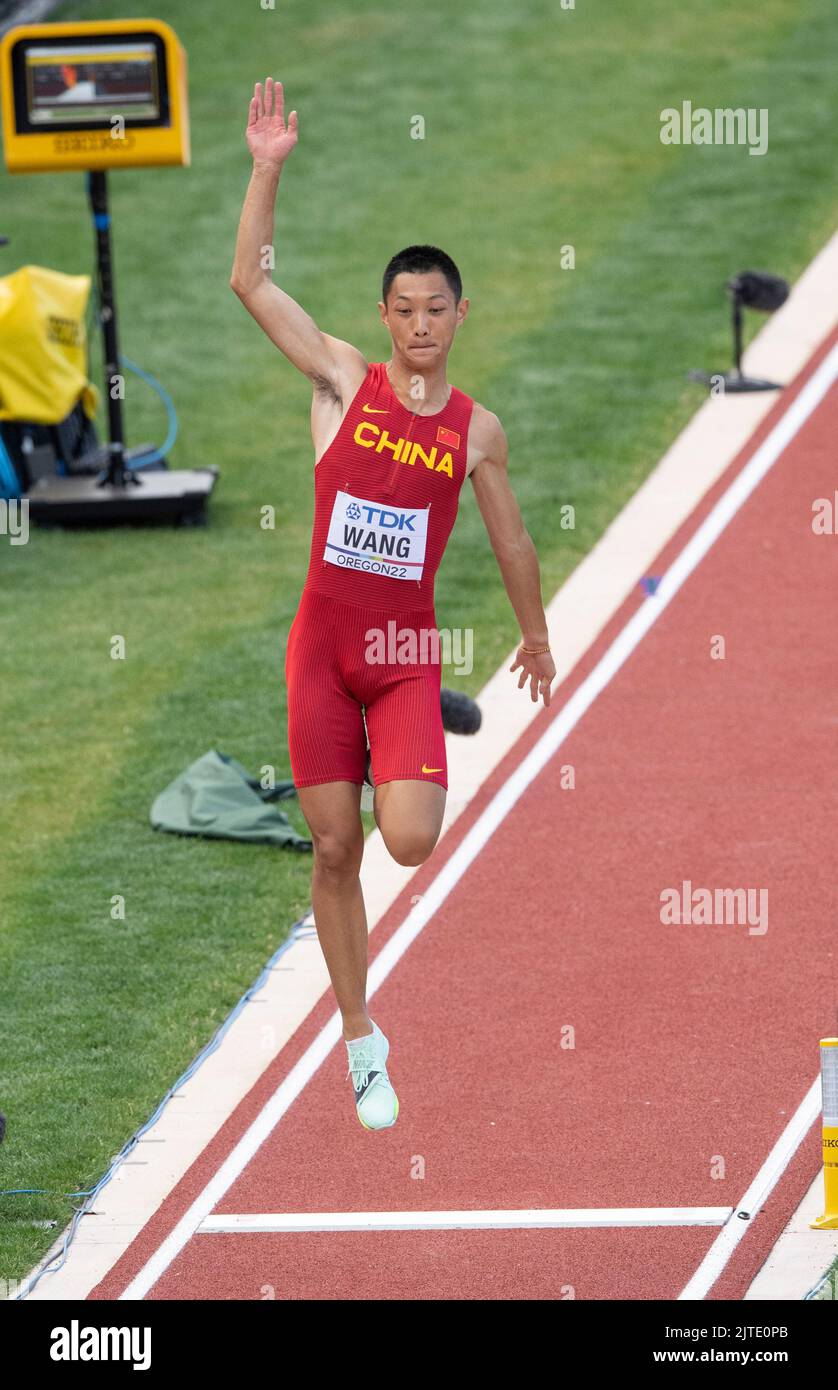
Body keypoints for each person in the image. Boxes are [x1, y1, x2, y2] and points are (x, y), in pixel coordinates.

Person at [231, 78, 556, 1130]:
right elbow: (248, 283)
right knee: (333, 850)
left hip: (404, 656)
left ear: (462, 316)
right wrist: (266, 168)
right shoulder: (337, 380)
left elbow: (509, 537)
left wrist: (536, 633)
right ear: (383, 318)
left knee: (406, 839)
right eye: (403, 310)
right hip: (322, 657)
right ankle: (360, 1036)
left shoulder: (478, 431)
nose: (419, 324)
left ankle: (391, 748)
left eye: (436, 309)